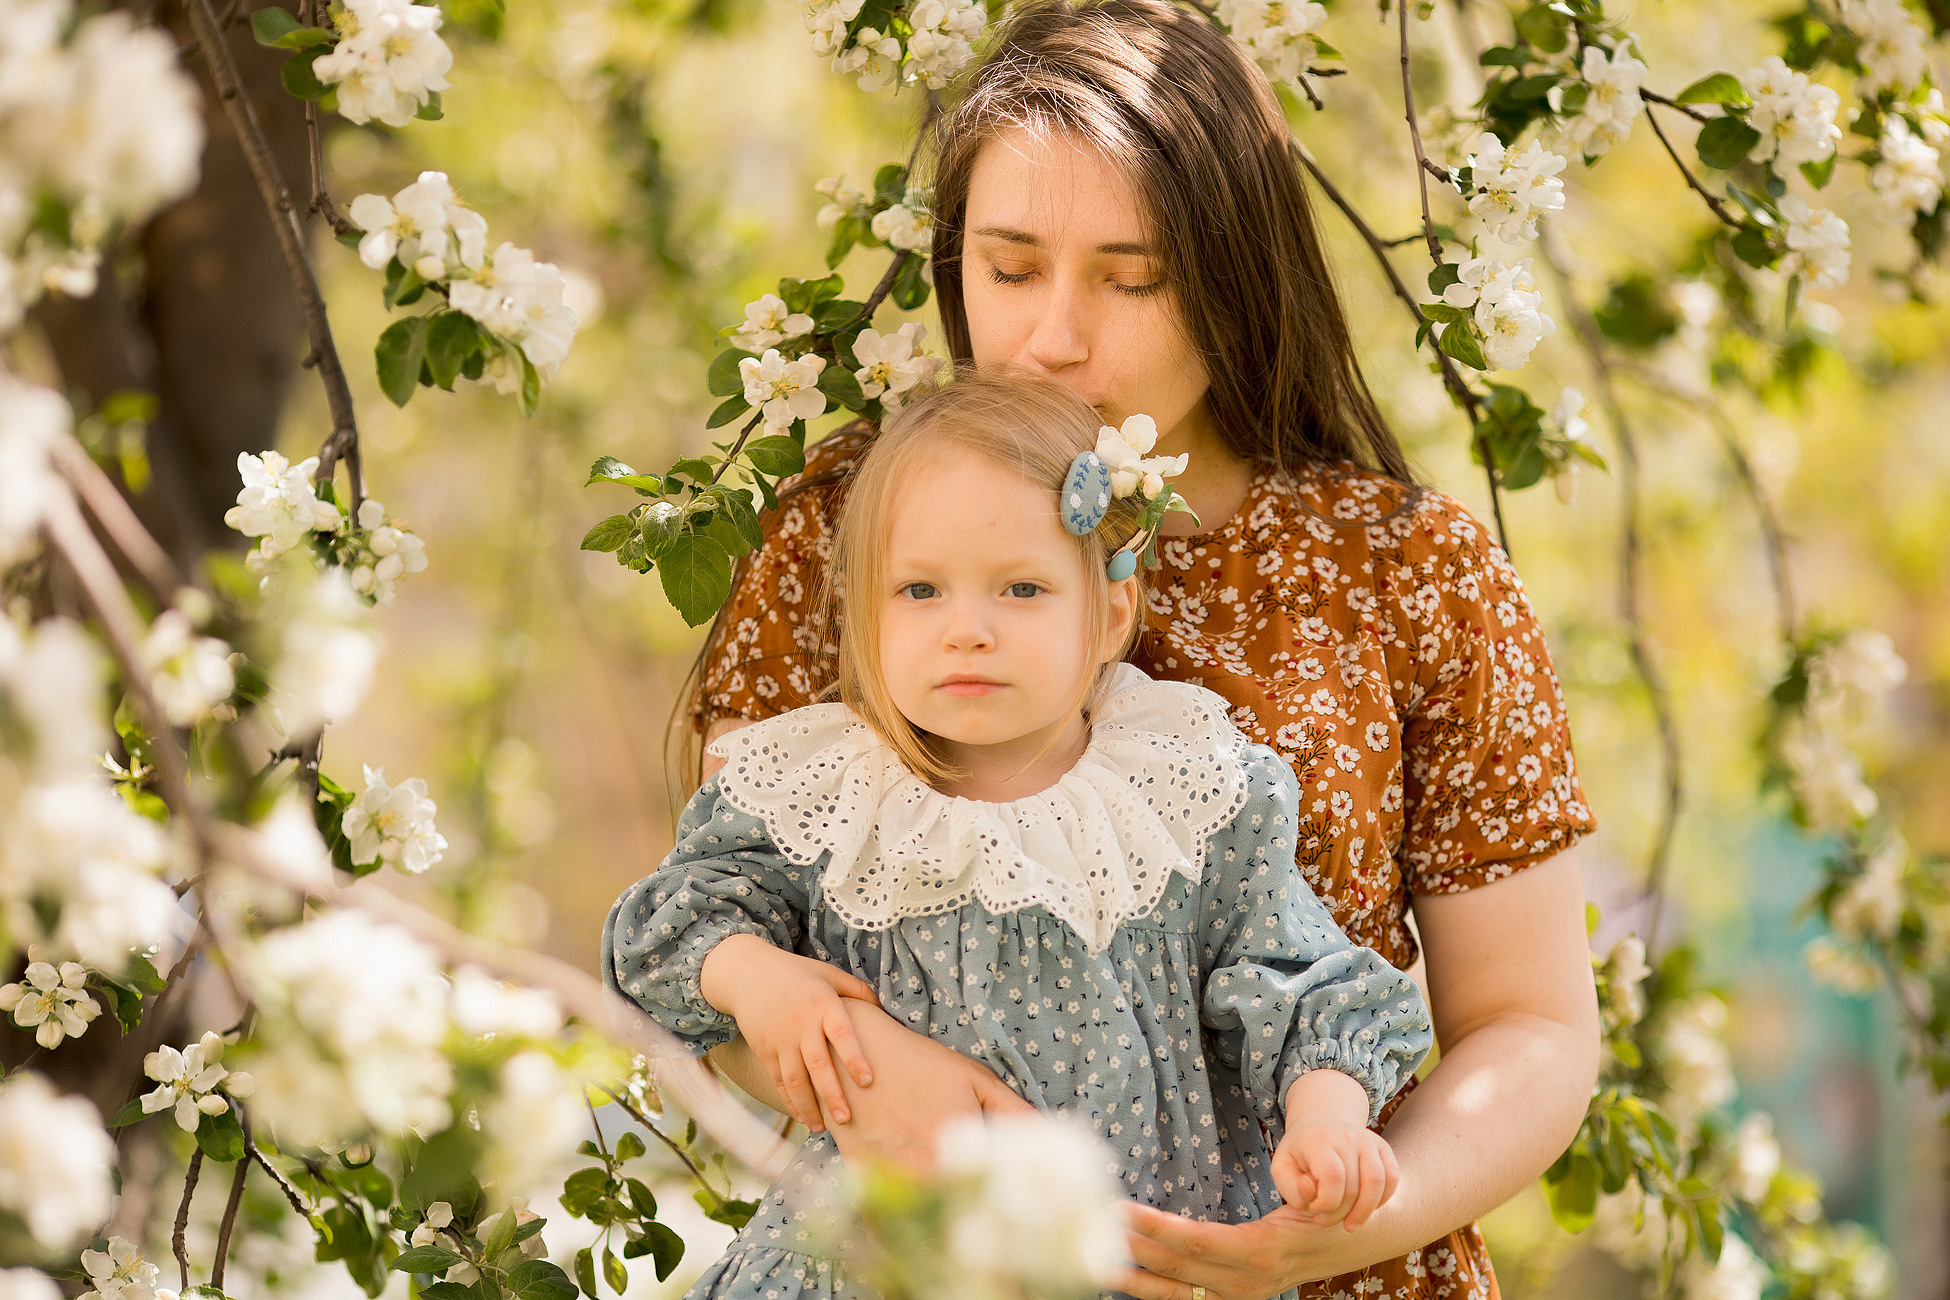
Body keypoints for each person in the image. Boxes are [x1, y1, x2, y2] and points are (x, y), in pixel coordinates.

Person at [684, 2, 1602, 1297]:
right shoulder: (847, 528)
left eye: (1133, 279)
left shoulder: (1405, 569)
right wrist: (895, 1098)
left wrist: (1350, 1220)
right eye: (1010, 269)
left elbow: (1531, 1024)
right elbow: (718, 943)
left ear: (1233, 278)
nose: (1054, 337)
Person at [606, 374, 1436, 1300]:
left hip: (1127, 1257)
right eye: (920, 589)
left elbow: (1300, 980)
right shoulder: (824, 791)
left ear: (1109, 615)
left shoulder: (1183, 791)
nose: (968, 630)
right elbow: (665, 930)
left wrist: (1327, 1122)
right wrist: (759, 977)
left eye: (1022, 588)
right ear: (864, 615)